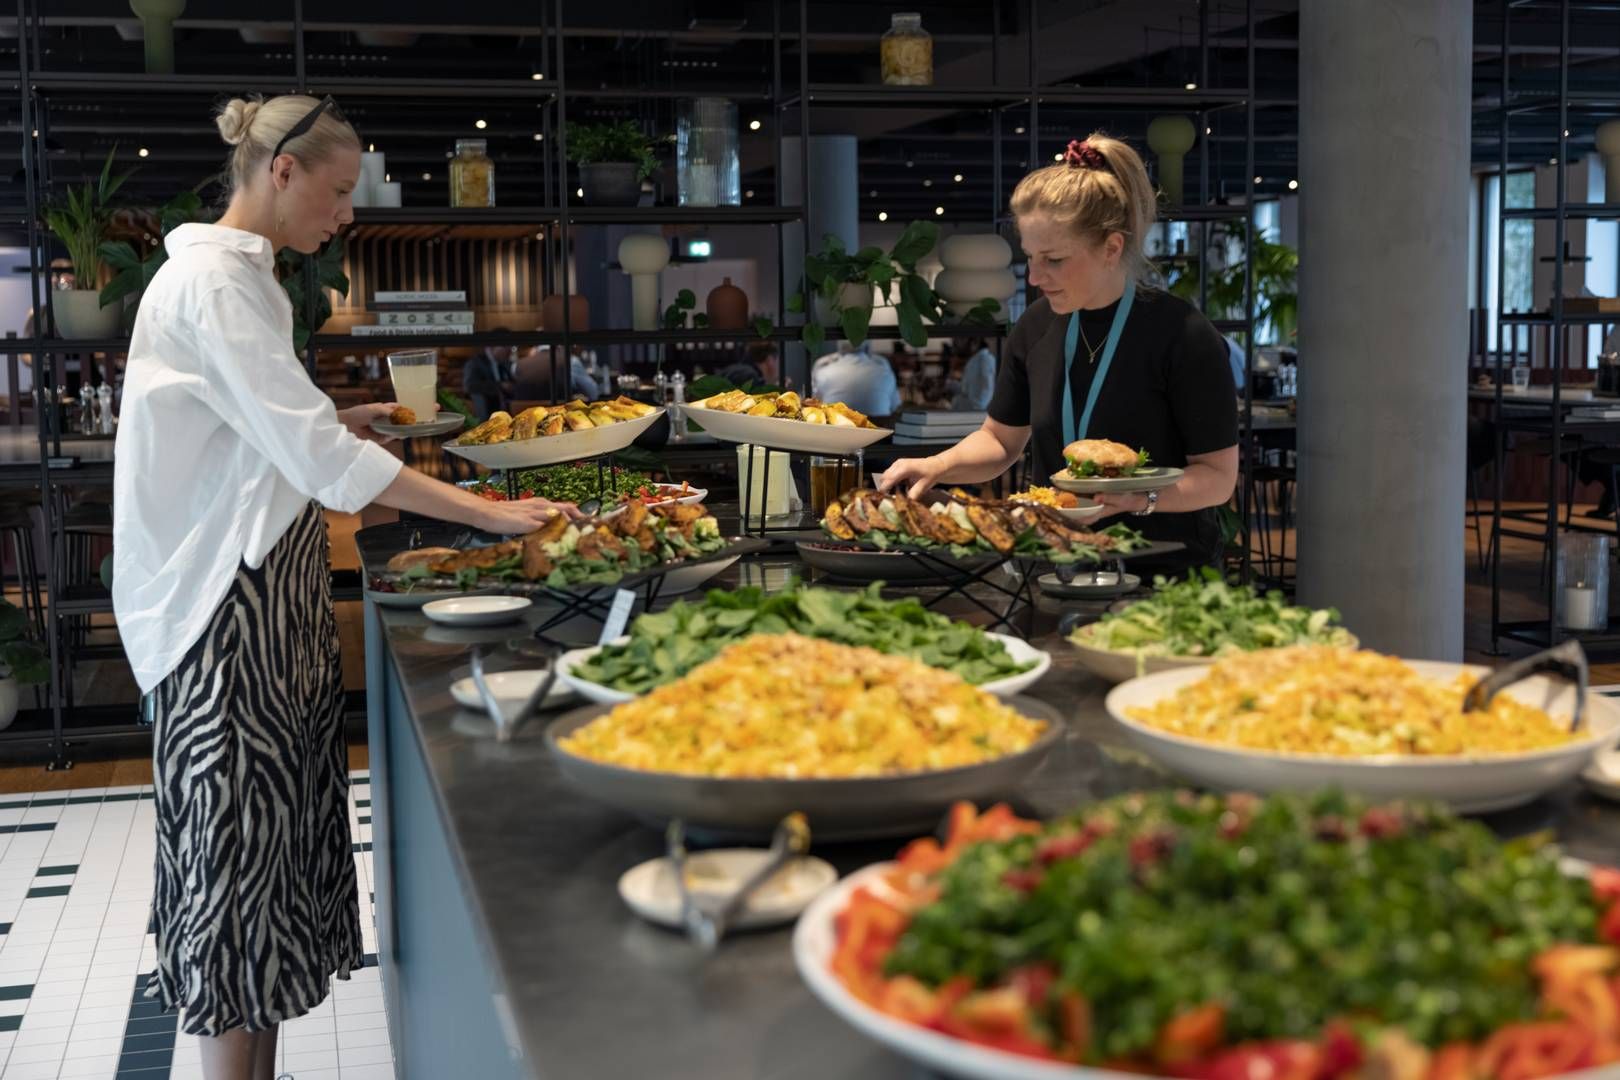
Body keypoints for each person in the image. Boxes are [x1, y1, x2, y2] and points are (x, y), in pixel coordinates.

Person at [111, 94, 572, 1080]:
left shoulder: (235, 279)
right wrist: (488, 513)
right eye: (337, 189)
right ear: (280, 173)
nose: (347, 213)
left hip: (258, 612)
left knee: (265, 893)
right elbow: (312, 459)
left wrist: (336, 412)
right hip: (222, 626)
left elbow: (256, 430)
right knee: (238, 900)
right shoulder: (216, 283)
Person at [880, 133, 1239, 572]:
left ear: (1111, 248)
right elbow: (1000, 441)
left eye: (1053, 259)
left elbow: (1218, 479)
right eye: (1030, 257)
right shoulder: (1035, 326)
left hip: (1161, 576)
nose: (1034, 276)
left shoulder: (1182, 333)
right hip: (1052, 566)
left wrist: (1139, 500)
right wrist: (938, 465)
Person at [810, 339, 902, 417]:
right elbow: (895, 406)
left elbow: (816, 405)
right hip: (880, 434)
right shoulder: (883, 369)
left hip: (836, 434)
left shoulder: (824, 370)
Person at [512, 339, 598, 402]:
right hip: (559, 418)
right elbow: (592, 393)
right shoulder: (570, 361)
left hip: (525, 419)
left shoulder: (517, 365)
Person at [461, 340, 512, 417]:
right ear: (493, 347)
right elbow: (469, 386)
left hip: (504, 411)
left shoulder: (503, 363)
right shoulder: (475, 363)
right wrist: (500, 385)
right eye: (505, 347)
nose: (509, 350)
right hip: (486, 411)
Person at [949, 336, 997, 411]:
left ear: (974, 342)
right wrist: (953, 386)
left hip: (975, 413)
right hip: (970, 412)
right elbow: (969, 390)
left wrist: (975, 408)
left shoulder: (985, 359)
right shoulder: (974, 360)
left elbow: (985, 393)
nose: (957, 343)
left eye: (961, 339)